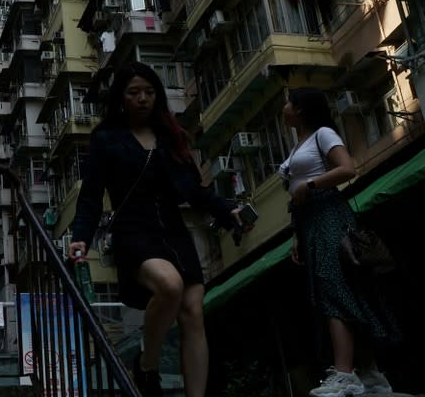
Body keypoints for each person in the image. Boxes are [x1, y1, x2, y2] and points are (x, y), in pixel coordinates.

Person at [68, 62, 245, 397]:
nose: (142, 99)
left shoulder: (170, 136)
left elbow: (194, 189)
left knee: (193, 313)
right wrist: (81, 237)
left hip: (174, 232)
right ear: (121, 97)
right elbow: (91, 196)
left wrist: (227, 209)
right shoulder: (106, 138)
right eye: (134, 92)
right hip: (134, 232)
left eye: (149, 92)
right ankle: (147, 366)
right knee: (170, 285)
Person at [279, 88, 399, 397]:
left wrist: (311, 184)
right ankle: (371, 373)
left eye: (289, 101)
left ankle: (344, 374)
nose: (285, 106)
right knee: (337, 292)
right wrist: (296, 234)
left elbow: (348, 168)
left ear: (301, 109)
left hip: (330, 216)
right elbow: (297, 195)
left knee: (333, 290)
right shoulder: (298, 146)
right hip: (309, 223)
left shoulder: (324, 134)